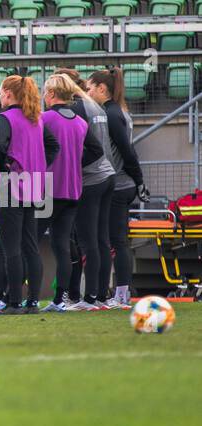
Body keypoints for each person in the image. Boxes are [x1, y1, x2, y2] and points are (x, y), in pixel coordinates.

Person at [36, 74, 102, 312]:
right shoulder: (80, 122)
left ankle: (26, 296)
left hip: (48, 190)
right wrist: (74, 162)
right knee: (62, 245)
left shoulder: (44, 119)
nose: (43, 96)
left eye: (45, 92)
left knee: (30, 242)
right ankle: (59, 300)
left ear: (52, 94)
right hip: (73, 191)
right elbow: (97, 151)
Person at [0, 75, 58, 315]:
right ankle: (32, 301)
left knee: (10, 248)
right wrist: (40, 165)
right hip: (34, 186)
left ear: (9, 94)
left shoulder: (5, 118)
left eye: (1, 92)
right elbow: (53, 147)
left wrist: (4, 166)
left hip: (11, 187)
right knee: (30, 246)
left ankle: (13, 301)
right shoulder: (37, 119)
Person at [87, 67, 146, 310]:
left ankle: (121, 293)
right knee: (116, 241)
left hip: (120, 184)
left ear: (102, 89)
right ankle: (119, 291)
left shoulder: (111, 114)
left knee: (117, 241)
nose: (87, 92)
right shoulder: (116, 111)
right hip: (123, 182)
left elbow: (126, 149)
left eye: (90, 88)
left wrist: (139, 179)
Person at [59, 68, 118, 311]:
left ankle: (90, 298)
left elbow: (83, 147)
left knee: (87, 240)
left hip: (91, 178)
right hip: (107, 174)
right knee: (102, 239)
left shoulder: (77, 109)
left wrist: (72, 167)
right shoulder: (95, 105)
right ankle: (102, 296)